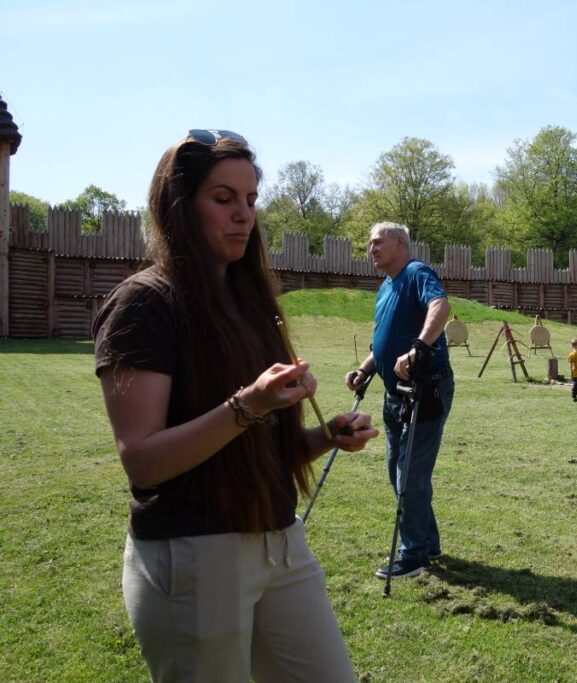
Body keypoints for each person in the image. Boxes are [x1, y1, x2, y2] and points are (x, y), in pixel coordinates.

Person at [93, 129, 379, 682]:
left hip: (281, 543)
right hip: (194, 556)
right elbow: (144, 461)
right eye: (222, 199)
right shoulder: (143, 304)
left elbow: (263, 446)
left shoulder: (251, 304)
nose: (243, 215)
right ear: (178, 206)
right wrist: (248, 404)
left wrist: (326, 435)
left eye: (250, 200)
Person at [346, 222, 454, 580]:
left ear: (400, 243)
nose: (370, 248)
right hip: (395, 395)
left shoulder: (416, 272)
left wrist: (418, 349)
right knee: (399, 471)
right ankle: (427, 542)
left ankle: (414, 555)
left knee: (410, 473)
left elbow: (441, 306)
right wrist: (364, 369)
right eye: (369, 243)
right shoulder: (386, 287)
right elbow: (384, 340)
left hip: (426, 390)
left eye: (377, 242)